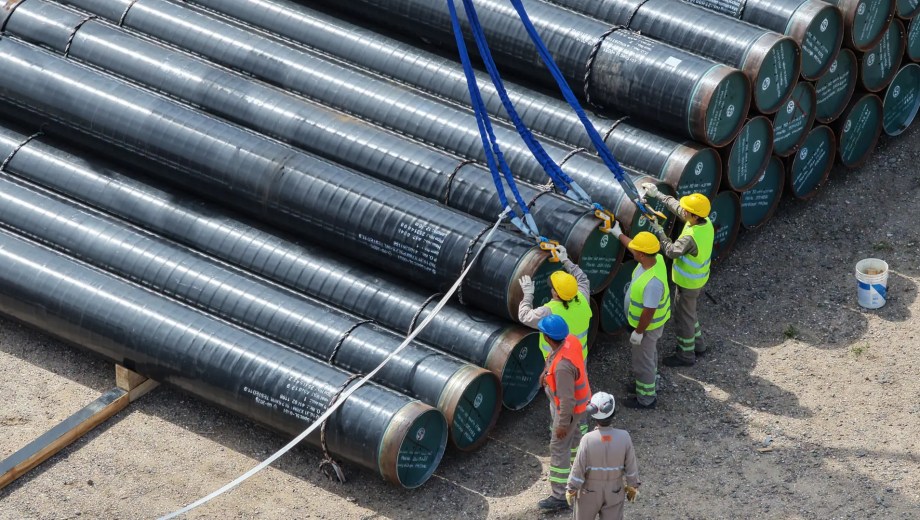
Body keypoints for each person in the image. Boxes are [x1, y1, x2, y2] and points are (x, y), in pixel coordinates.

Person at [641, 184, 714, 367]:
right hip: (698, 278)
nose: (684, 211)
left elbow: (672, 251)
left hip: (688, 283)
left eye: (687, 211)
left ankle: (686, 355)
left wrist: (659, 231)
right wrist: (657, 194)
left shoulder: (691, 237)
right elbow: (678, 208)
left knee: (683, 318)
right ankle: (699, 345)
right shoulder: (704, 222)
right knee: (689, 312)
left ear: (694, 216)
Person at [610, 224, 670, 409]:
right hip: (649, 327)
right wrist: (617, 233)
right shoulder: (657, 259)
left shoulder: (653, 283)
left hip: (647, 328)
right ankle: (650, 382)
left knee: (643, 361)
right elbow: (633, 246)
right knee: (649, 355)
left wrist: (638, 332)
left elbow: (648, 311)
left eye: (636, 250)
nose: (633, 250)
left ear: (642, 255)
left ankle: (646, 398)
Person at [537, 314, 592, 512]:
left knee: (559, 448)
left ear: (547, 337)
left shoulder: (562, 367)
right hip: (578, 406)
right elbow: (554, 358)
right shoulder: (571, 340)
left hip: (569, 410)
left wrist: (562, 425)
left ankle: (560, 496)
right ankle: (584, 472)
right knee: (576, 440)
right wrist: (545, 374)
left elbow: (567, 400)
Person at [566, 392, 640, 520]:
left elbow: (578, 467)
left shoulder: (587, 439)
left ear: (593, 413)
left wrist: (571, 488)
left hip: (589, 491)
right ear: (613, 412)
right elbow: (631, 466)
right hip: (615, 490)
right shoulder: (624, 437)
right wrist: (633, 485)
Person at [519, 245, 592, 360]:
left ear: (556, 294)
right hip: (580, 358)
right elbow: (582, 278)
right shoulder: (583, 297)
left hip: (558, 363)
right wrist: (565, 260)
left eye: (552, 287)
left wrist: (528, 294)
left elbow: (524, 316)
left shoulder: (548, 312)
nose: (551, 289)